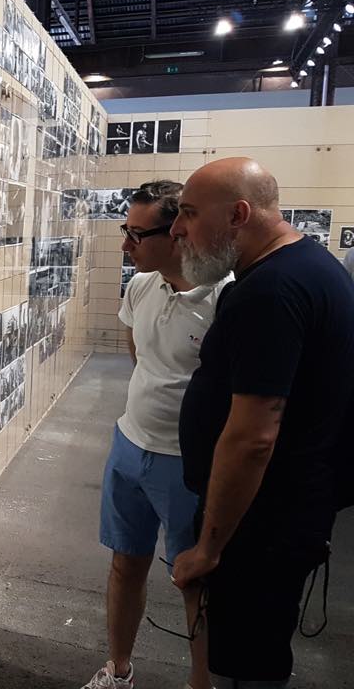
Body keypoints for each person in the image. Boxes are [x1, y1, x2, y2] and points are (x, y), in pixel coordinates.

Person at [170, 158, 354, 688]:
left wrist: (208, 547)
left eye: (189, 213)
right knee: (254, 655)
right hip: (282, 512)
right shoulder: (307, 266)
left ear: (238, 214)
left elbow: (253, 436)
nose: (178, 229)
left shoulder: (270, 292)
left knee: (248, 667)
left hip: (263, 524)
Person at [81, 182, 226, 689]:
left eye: (137, 235)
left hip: (187, 464)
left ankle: (201, 683)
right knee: (125, 565)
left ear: (178, 233)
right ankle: (118, 671)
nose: (126, 244)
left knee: (195, 581)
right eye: (126, 230)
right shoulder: (141, 287)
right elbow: (139, 357)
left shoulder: (225, 298)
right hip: (130, 446)